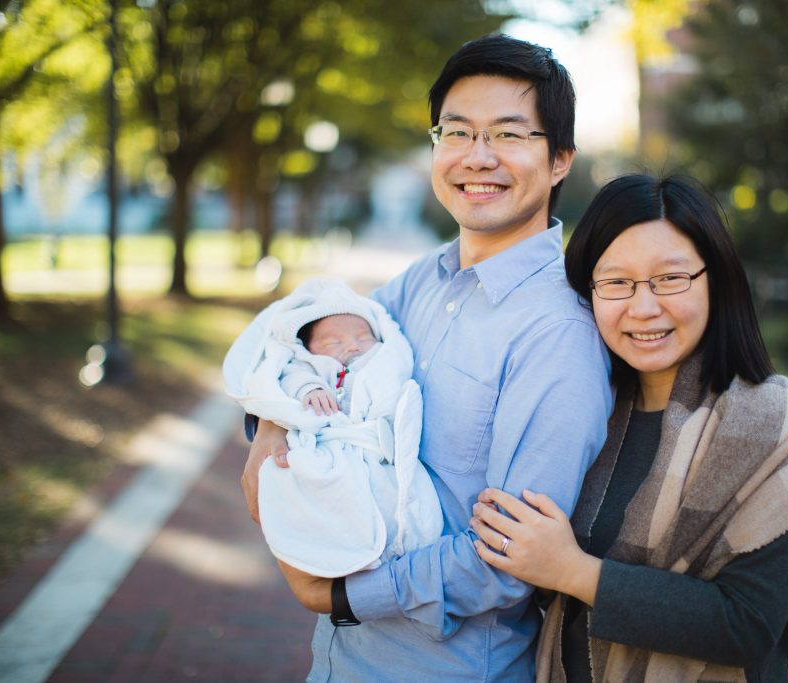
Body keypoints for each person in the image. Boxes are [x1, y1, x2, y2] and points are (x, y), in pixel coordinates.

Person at [238, 33, 613, 681]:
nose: (478, 156)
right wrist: (269, 428)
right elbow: (320, 356)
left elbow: (507, 558)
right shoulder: (420, 280)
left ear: (559, 161)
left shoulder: (559, 332)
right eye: (458, 132)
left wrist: (344, 598)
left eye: (509, 134)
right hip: (338, 660)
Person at [471, 174, 788, 682]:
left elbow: (746, 624)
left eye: (670, 278)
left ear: (715, 280)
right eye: (617, 282)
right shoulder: (589, 410)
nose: (643, 307)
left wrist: (572, 571)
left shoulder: (764, 423)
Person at [223, 278, 443, 578]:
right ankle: (329, 543)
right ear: (309, 348)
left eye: (363, 337)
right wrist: (309, 388)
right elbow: (290, 375)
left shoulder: (380, 359)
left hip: (374, 446)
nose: (352, 346)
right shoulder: (312, 366)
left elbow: (395, 376)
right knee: (318, 483)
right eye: (333, 343)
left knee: (397, 501)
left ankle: (389, 546)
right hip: (329, 442)